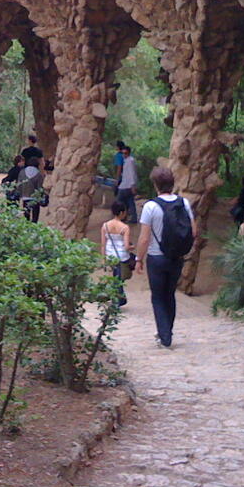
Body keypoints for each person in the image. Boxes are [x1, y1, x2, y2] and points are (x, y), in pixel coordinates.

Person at [135, 167, 197, 349]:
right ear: (172, 183)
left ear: (155, 185)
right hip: (177, 257)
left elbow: (144, 238)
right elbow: (193, 231)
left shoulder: (150, 206)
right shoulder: (183, 203)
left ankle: (164, 335)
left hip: (156, 258)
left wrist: (139, 259)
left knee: (158, 297)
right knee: (170, 294)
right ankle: (167, 330)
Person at [100, 201, 133, 307]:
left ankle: (118, 297)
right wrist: (132, 247)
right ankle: (118, 298)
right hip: (122, 255)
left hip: (110, 254)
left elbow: (103, 244)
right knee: (119, 277)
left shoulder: (105, 226)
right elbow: (127, 246)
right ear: (122, 212)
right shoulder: (125, 227)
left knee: (116, 275)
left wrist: (103, 258)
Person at [17, 156, 44, 223]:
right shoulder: (39, 174)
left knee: (26, 216)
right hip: (35, 199)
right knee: (35, 217)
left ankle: (26, 230)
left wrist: (20, 194)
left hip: (25, 197)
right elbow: (40, 188)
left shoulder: (22, 172)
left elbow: (19, 185)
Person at [116, 145, 138, 224]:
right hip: (125, 184)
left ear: (128, 153)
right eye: (123, 153)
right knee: (130, 202)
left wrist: (133, 185)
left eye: (125, 153)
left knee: (119, 201)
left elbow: (132, 174)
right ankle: (131, 217)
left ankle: (120, 217)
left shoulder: (130, 161)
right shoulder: (127, 161)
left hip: (126, 185)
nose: (123, 155)